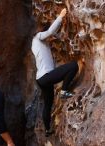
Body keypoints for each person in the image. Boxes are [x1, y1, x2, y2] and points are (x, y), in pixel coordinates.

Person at [31, 8, 79, 137]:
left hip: (41, 80)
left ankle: (47, 130)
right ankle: (64, 91)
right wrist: (61, 16)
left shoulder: (37, 44)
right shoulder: (38, 37)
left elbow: (52, 33)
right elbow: (50, 31)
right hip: (46, 77)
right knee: (73, 65)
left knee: (48, 103)